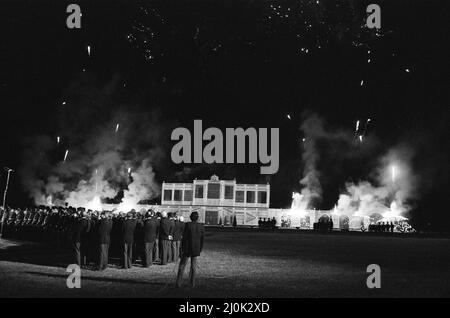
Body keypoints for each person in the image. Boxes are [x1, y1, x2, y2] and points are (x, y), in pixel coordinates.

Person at [176, 211, 205, 288]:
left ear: (190, 217)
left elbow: (184, 238)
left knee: (182, 266)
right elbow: (202, 239)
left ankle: (178, 283)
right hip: (196, 248)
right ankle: (192, 283)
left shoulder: (187, 225)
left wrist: (181, 248)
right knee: (193, 267)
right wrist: (200, 249)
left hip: (187, 248)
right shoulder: (201, 226)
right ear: (197, 218)